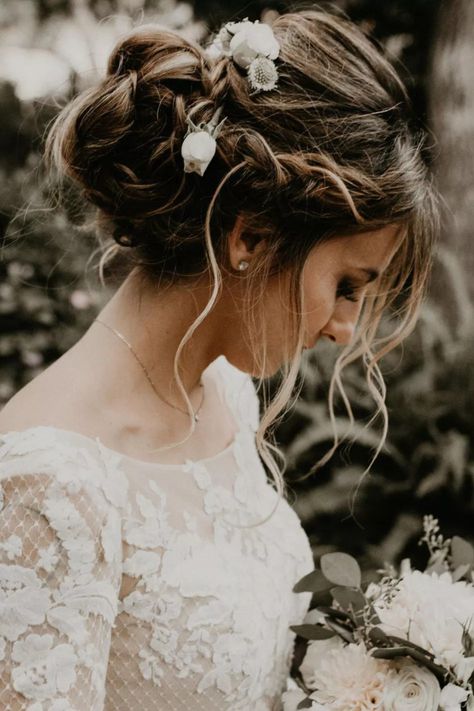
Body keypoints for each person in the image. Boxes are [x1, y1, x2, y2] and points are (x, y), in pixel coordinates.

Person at [0, 8, 437, 711]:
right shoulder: (48, 486)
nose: (345, 329)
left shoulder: (224, 393)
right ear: (252, 236)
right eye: (346, 285)